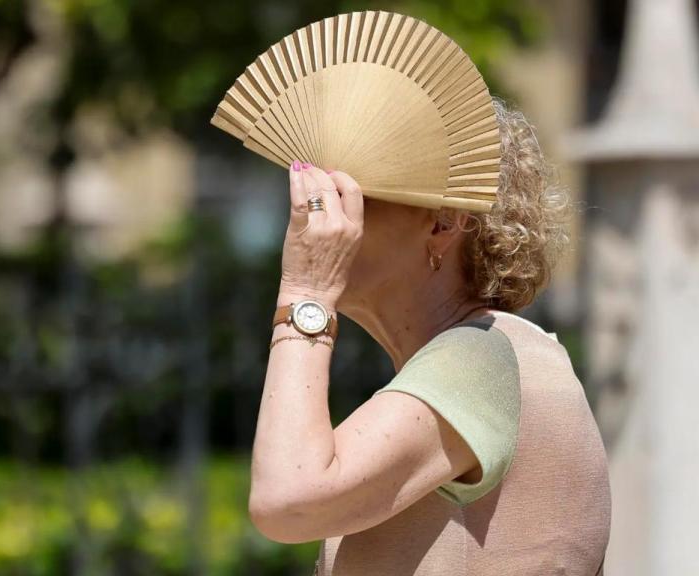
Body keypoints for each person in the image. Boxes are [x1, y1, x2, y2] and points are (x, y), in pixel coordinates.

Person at [251, 97, 611, 575]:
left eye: (350, 191)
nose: (318, 214)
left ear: (443, 220)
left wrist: (306, 293)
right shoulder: (499, 353)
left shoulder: (477, 358)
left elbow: (287, 499)